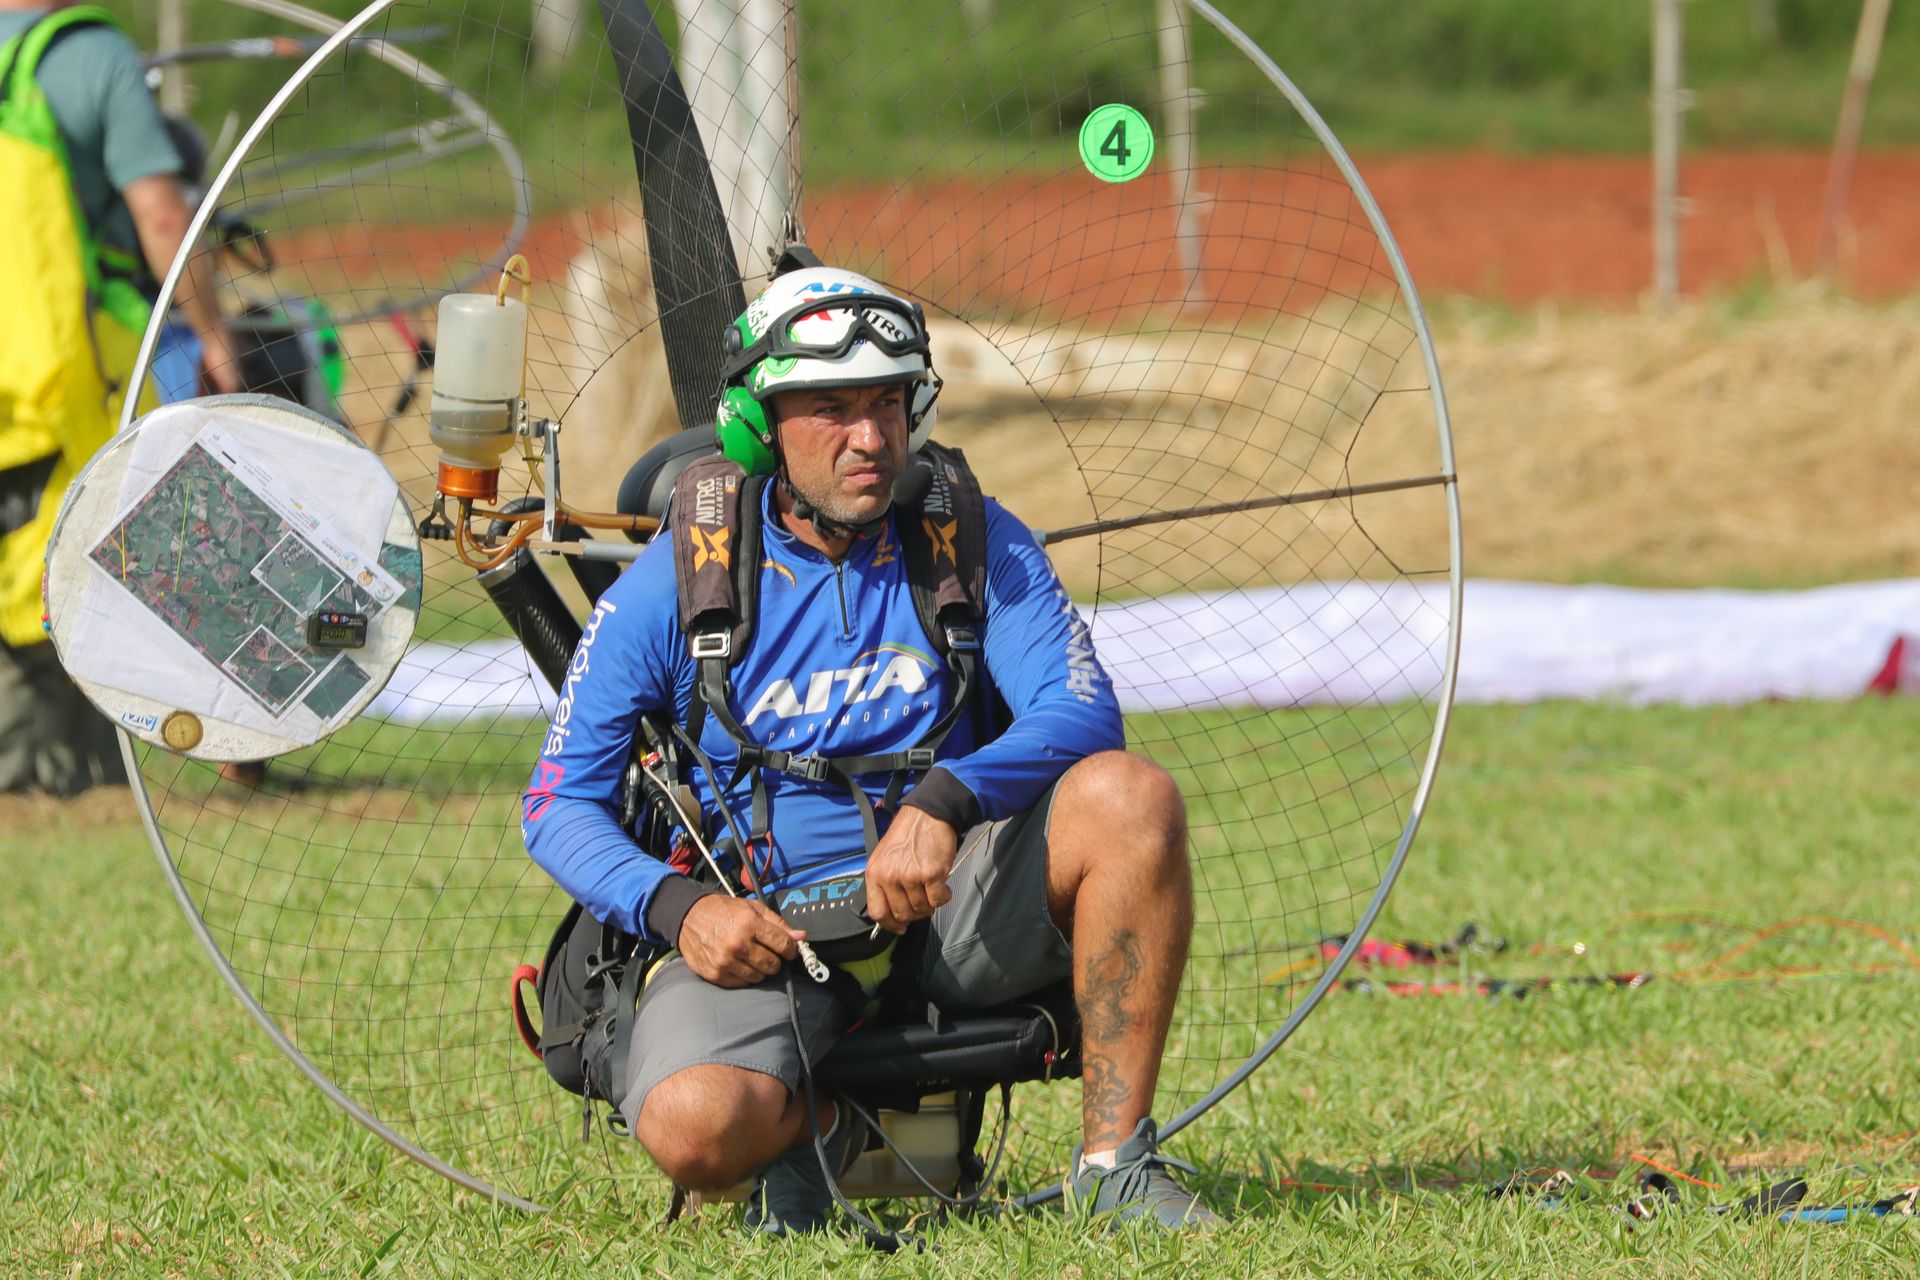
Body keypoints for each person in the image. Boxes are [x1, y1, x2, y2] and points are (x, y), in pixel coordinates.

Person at [523, 264, 1219, 1233]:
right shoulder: (675, 581)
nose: (870, 437)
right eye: (832, 409)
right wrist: (682, 910)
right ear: (757, 426)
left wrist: (945, 800)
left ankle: (1113, 1160)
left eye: (889, 403)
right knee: (691, 1127)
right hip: (765, 933)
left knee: (1130, 797)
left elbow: (1083, 712)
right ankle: (836, 1135)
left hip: (950, 903)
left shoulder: (970, 540)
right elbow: (555, 803)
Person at [0, 1, 240, 795]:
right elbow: (163, 215)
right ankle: (92, 766)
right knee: (92, 545)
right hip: (60, 359)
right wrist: (211, 332)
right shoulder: (90, 55)